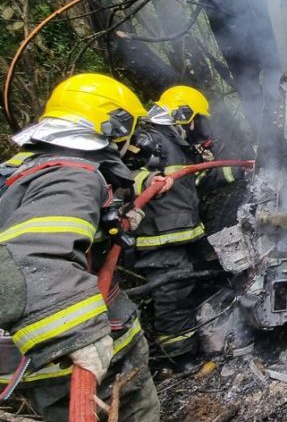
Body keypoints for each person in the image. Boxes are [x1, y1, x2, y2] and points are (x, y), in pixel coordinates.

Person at [0, 73, 163, 421]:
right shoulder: (73, 176)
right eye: (132, 131)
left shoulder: (22, 170)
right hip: (71, 362)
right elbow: (29, 260)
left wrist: (118, 217)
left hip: (29, 359)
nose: (136, 143)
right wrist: (79, 338)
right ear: (114, 125)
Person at [127, 86, 238, 373]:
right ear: (185, 115)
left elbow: (195, 181)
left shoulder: (177, 147)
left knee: (210, 276)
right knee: (173, 294)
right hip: (158, 239)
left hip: (185, 234)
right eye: (198, 120)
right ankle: (177, 357)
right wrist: (147, 180)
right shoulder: (148, 140)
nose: (199, 128)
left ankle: (204, 334)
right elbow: (118, 176)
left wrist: (237, 171)